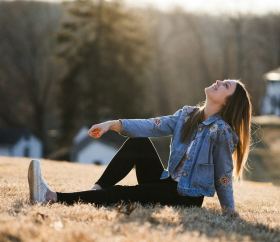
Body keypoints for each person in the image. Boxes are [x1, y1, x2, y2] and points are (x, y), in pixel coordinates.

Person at [28, 79, 251, 213]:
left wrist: (229, 211)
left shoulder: (221, 132)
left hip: (184, 197)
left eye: (225, 86)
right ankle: (95, 192)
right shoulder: (187, 115)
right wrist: (112, 124)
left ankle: (51, 197)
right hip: (166, 182)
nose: (219, 82)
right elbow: (151, 126)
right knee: (138, 143)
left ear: (227, 102)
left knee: (121, 194)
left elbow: (223, 174)